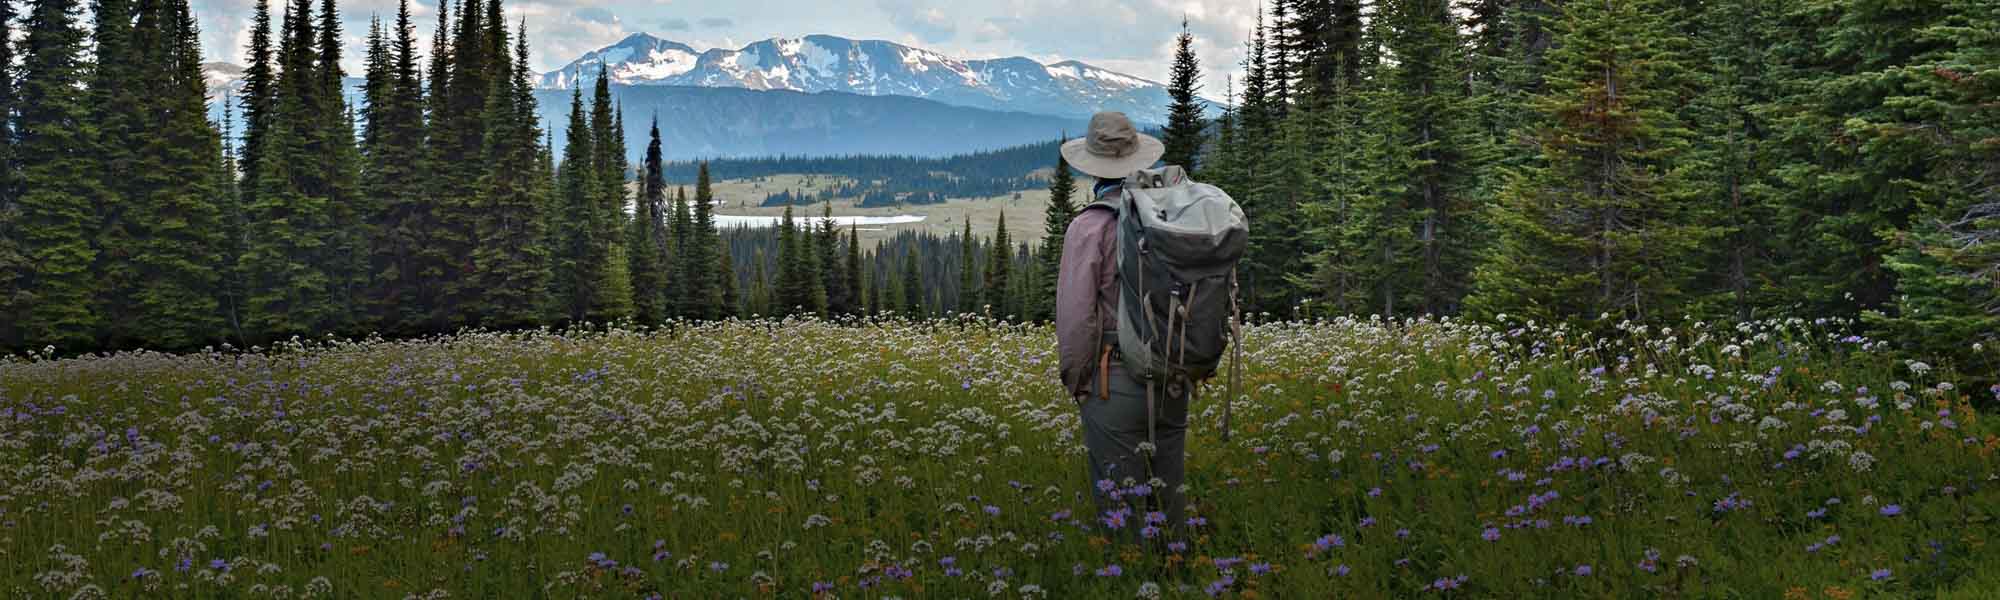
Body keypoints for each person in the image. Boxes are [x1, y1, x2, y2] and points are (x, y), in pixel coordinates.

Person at [1055, 112, 1189, 537]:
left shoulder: (1088, 227)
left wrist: (1079, 381)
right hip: (1173, 373)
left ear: (1092, 167)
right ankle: (1181, 574)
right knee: (1168, 498)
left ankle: (1130, 575)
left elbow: (1077, 321)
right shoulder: (1173, 217)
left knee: (1120, 506)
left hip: (1115, 377)